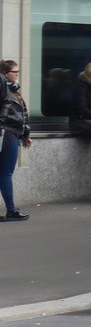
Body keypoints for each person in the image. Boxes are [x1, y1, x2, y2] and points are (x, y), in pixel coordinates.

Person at [0, 59, 32, 221]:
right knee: (5, 173)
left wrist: (25, 134)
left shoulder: (12, 90)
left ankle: (11, 210)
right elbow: (10, 115)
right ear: (5, 74)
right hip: (7, 133)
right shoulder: (6, 89)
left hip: (10, 133)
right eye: (15, 72)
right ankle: (11, 210)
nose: (18, 75)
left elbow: (22, 115)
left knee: (4, 173)